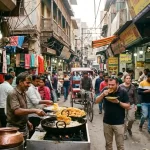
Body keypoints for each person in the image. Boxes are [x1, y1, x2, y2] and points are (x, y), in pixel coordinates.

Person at [6, 72, 46, 141]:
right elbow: (17, 111)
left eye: (30, 83)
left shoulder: (23, 93)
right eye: (27, 83)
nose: (29, 85)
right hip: (14, 128)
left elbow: (24, 109)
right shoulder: (13, 93)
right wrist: (35, 110)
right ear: (20, 82)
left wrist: (27, 121)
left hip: (23, 126)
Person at [95, 78, 130, 150]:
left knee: (120, 146)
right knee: (108, 145)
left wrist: (118, 102)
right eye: (109, 84)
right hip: (107, 122)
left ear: (117, 84)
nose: (110, 87)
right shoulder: (105, 89)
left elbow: (128, 106)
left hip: (119, 123)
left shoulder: (123, 91)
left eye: (112, 85)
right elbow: (96, 101)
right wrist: (102, 95)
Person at [120, 75, 137, 139]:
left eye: (129, 78)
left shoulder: (133, 86)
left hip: (131, 104)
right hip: (123, 104)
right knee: (124, 120)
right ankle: (124, 133)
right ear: (124, 79)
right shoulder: (120, 86)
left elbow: (135, 96)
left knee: (131, 119)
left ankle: (129, 128)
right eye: (127, 78)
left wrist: (135, 105)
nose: (128, 79)